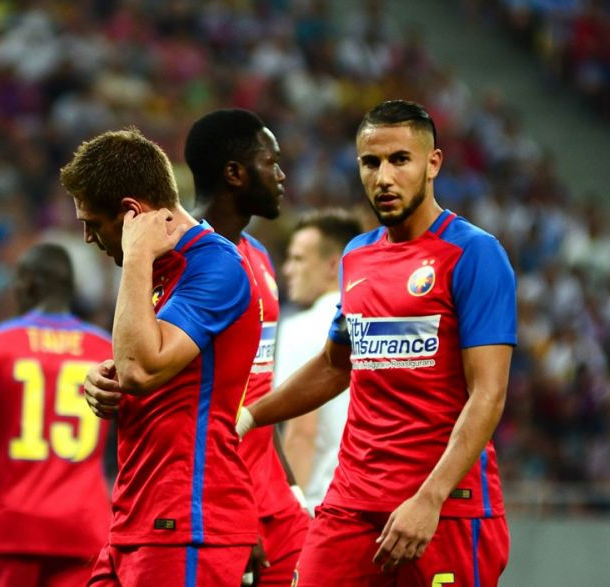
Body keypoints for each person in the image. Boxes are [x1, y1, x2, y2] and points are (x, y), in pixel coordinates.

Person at [237, 100, 516, 586]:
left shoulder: (474, 254)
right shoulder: (357, 257)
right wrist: (250, 416)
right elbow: (335, 365)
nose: (383, 177)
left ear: (433, 163)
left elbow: (488, 395)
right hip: (351, 504)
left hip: (445, 509)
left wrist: (430, 499)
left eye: (399, 160)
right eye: (371, 162)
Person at [62, 128, 262, 586]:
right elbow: (140, 366)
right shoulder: (159, 268)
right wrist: (103, 378)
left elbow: (141, 368)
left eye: (93, 222)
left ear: (132, 213)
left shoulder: (215, 265)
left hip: (186, 520)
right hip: (136, 517)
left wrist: (136, 255)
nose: (88, 237)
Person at [183, 108, 310, 586]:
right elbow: (176, 403)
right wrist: (229, 510)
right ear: (235, 173)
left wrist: (291, 486)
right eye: (270, 162)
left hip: (274, 499)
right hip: (213, 504)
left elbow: (256, 389)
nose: (281, 175)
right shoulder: (180, 257)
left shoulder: (257, 256)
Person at [0, 243, 113, 587]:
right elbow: (123, 449)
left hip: (11, 532)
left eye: (16, 281)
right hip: (85, 531)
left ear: (30, 285)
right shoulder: (107, 350)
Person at [275, 209, 363, 515]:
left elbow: (302, 432)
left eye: (298, 259)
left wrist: (289, 514)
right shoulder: (376, 322)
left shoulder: (305, 328)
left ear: (332, 266)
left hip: (320, 508)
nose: (287, 269)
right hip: (375, 503)